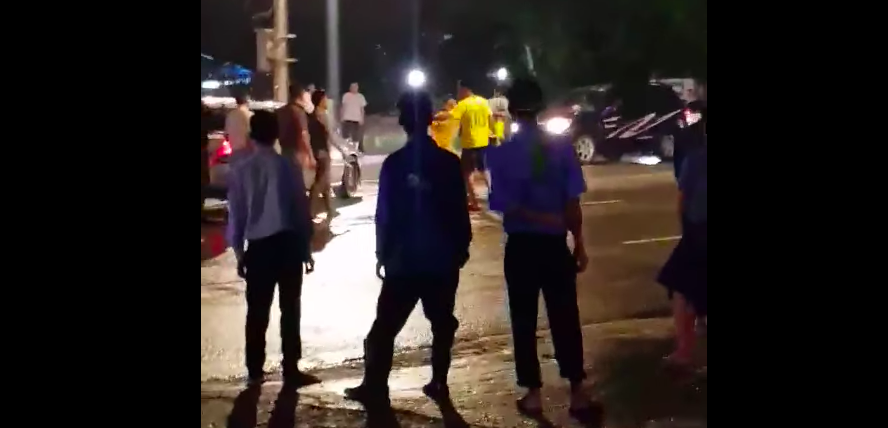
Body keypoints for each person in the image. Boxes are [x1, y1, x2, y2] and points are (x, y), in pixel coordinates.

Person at [344, 91, 472, 404]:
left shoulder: (395, 165)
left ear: (403, 122)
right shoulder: (448, 163)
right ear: (430, 119)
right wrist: (461, 248)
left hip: (405, 262)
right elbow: (459, 210)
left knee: (384, 329)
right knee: (442, 322)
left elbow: (385, 215)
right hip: (442, 260)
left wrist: (382, 253)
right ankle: (438, 382)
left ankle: (375, 386)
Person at [486, 77, 596, 421]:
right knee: (565, 316)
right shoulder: (562, 148)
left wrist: (535, 215)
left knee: (523, 318)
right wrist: (578, 243)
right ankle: (577, 391)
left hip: (521, 246)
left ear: (512, 111)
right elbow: (572, 202)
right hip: (554, 244)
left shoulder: (501, 154)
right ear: (541, 107)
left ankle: (533, 394)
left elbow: (504, 204)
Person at [227, 110, 317, 388]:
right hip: (288, 244)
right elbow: (300, 210)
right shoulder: (286, 166)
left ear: (253, 135)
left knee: (257, 310)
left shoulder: (242, 169)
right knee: (290, 308)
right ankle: (291, 367)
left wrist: (239, 252)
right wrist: (306, 248)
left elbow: (237, 213)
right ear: (275, 135)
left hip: (259, 248)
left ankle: (255, 370)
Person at [658, 130, 707, 370]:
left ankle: (684, 350)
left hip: (699, 233)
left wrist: (687, 231)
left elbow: (682, 200)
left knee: (680, 288)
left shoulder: (696, 159)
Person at [441, 79, 495, 211]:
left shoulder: (463, 104)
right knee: (485, 170)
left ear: (465, 89)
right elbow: (490, 118)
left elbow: (450, 116)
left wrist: (433, 117)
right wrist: (492, 133)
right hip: (484, 141)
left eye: (460, 89)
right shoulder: (483, 101)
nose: (458, 93)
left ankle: (475, 202)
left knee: (467, 173)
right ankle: (494, 194)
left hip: (470, 142)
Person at [276, 83, 315, 174]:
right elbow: (304, 134)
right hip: (297, 153)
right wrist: (311, 156)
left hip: (284, 150)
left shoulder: (280, 111)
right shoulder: (299, 112)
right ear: (300, 95)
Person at [307, 89, 334, 217]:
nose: (326, 101)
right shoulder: (323, 115)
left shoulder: (312, 115)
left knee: (325, 181)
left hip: (316, 150)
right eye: (324, 99)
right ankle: (311, 211)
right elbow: (329, 135)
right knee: (321, 181)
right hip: (323, 151)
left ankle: (329, 209)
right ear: (320, 101)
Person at [224, 94, 254, 163]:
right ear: (247, 102)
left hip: (234, 151)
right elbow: (251, 134)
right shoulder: (250, 115)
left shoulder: (230, 115)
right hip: (247, 152)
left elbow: (226, 135)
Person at [341, 82, 368, 152]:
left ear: (357, 88)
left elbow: (362, 109)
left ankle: (355, 150)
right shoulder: (346, 95)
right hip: (347, 118)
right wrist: (342, 116)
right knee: (345, 135)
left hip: (357, 119)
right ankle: (347, 150)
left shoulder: (361, 97)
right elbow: (343, 107)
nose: (353, 88)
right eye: (352, 87)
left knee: (356, 136)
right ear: (350, 88)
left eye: (355, 87)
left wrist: (362, 118)